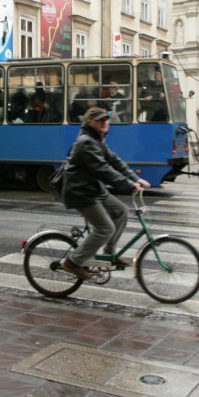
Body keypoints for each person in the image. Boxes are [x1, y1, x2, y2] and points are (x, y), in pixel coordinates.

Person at [59, 106, 150, 280]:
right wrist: (129, 185)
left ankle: (109, 253)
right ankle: (73, 261)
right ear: (89, 122)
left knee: (121, 211)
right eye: (100, 120)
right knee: (105, 228)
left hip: (93, 189)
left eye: (106, 119)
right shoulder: (86, 142)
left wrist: (134, 178)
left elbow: (115, 161)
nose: (104, 122)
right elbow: (103, 170)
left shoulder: (97, 139)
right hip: (81, 192)